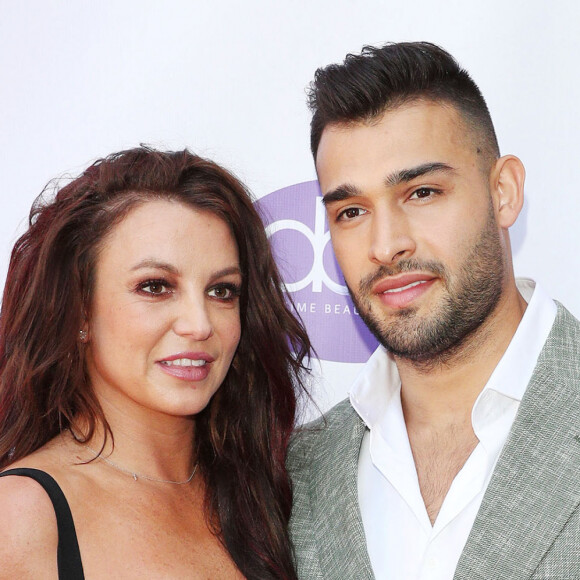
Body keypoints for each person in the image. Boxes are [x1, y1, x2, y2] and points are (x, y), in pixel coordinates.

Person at [288, 42, 580, 579]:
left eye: (421, 192)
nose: (386, 245)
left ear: (504, 192)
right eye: (352, 211)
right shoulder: (299, 474)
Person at [0, 147, 311, 579]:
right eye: (155, 286)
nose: (199, 324)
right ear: (81, 311)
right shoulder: (20, 517)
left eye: (222, 291)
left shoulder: (268, 492)